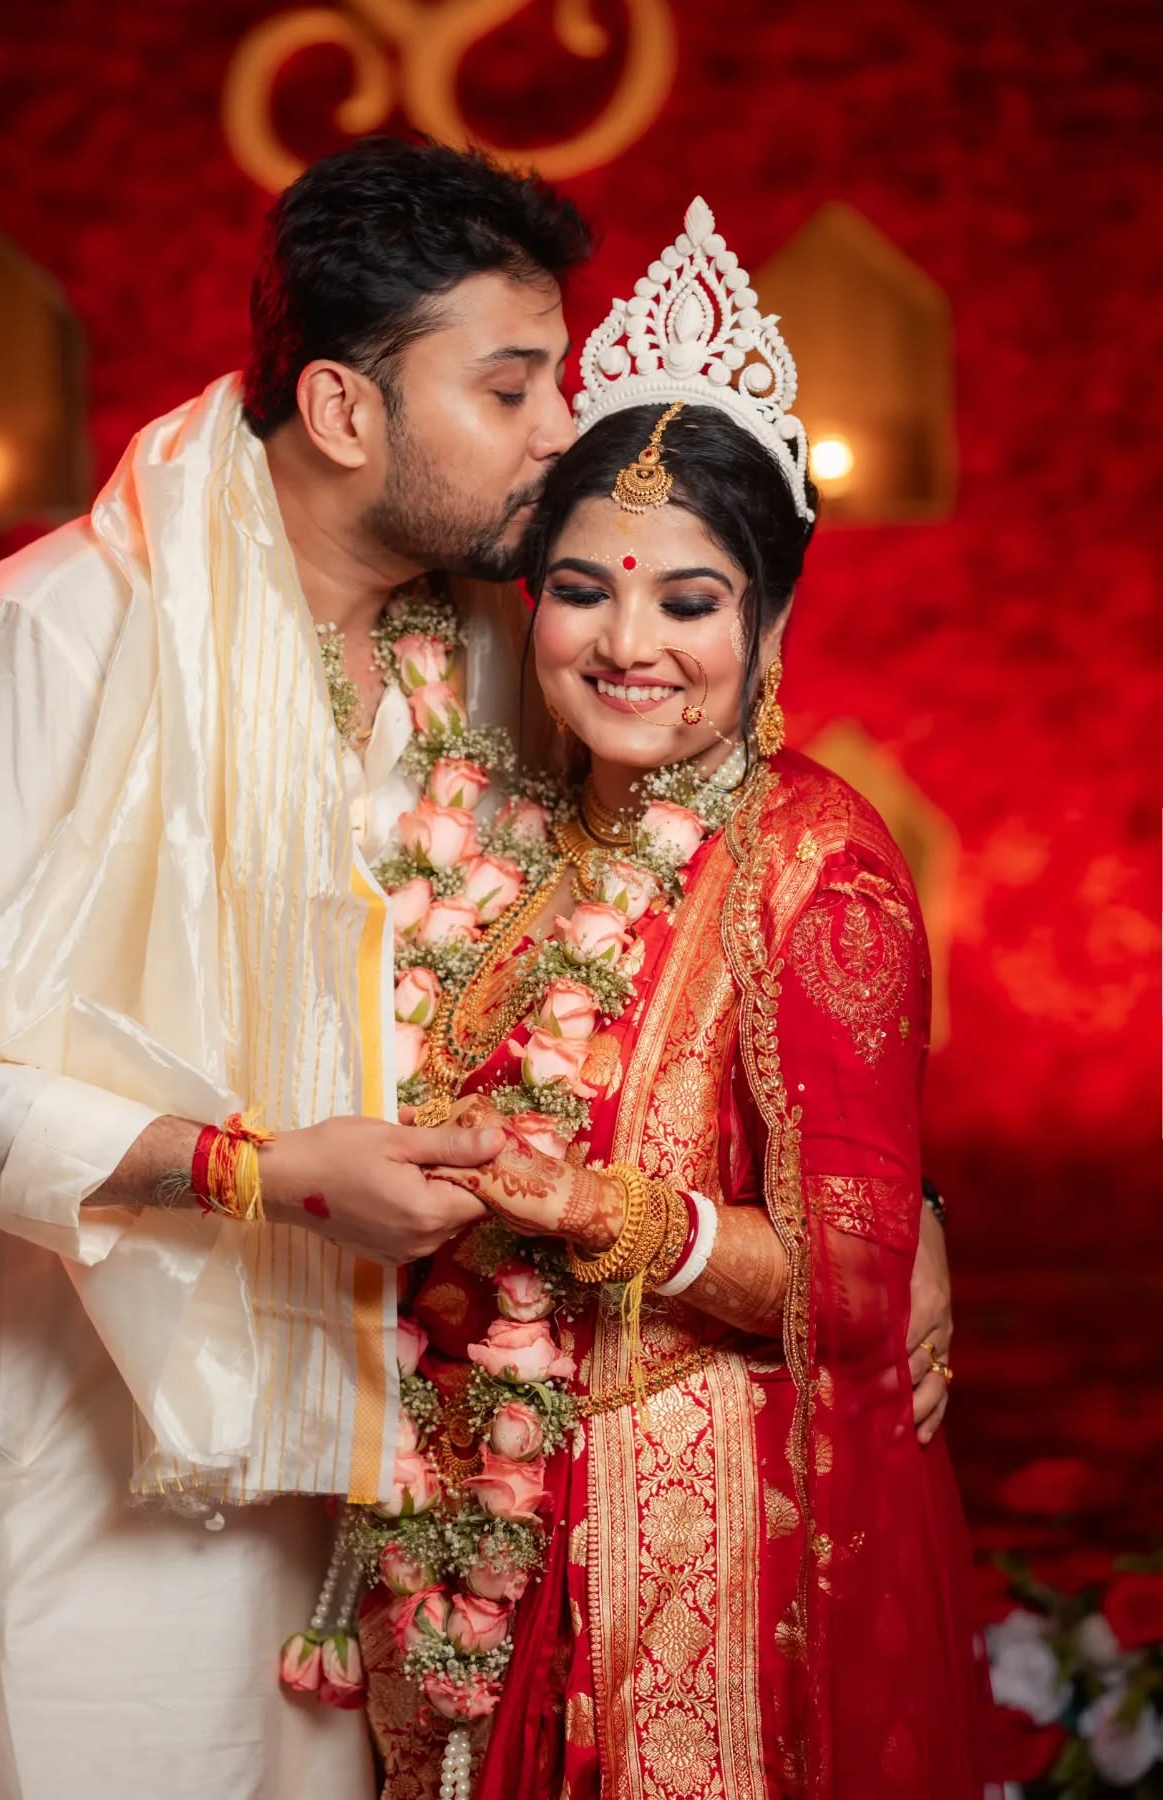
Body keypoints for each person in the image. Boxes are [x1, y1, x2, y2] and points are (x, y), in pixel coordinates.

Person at [0, 138, 590, 1800]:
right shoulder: (60, 633)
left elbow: (682, 929)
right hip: (82, 1459)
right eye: (513, 385)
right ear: (341, 409)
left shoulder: (486, 658)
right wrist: (258, 1174)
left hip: (374, 1463)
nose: (558, 433)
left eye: (562, 381)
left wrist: (906, 1213)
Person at [350, 199, 984, 1798]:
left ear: (765, 621)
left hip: (693, 1557)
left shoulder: (817, 870)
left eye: (689, 603)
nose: (629, 645)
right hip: (475, 1515)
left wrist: (616, 1215)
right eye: (583, 590)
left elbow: (850, 1285)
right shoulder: (501, 833)